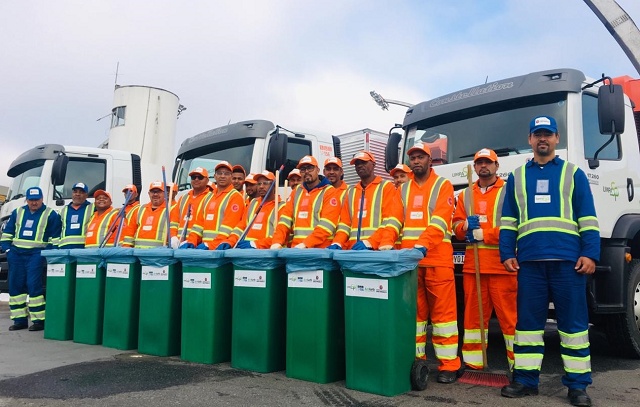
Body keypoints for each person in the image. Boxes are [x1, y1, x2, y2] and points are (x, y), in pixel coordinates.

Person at [499, 116, 599, 407]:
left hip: (569, 263)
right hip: (530, 263)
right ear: (529, 140)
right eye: (537, 134)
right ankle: (526, 381)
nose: (543, 139)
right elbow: (508, 220)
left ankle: (578, 386)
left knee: (574, 326)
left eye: (548, 134)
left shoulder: (573, 173)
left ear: (557, 139)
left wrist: (590, 253)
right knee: (528, 326)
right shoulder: (516, 177)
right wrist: (506, 253)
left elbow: (588, 217)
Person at [399, 141, 461, 383]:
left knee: (443, 316)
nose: (416, 161)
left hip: (436, 260)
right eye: (412, 157)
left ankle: (449, 365)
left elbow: (440, 221)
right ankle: (418, 359)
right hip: (411, 263)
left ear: (429, 159)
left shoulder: (442, 185)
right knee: (414, 316)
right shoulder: (402, 189)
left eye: (420, 157)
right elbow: (395, 221)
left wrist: (422, 244)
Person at [452, 148, 516, 372]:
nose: (483, 166)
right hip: (473, 266)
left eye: (488, 162)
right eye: (479, 162)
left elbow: (514, 225)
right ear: (475, 166)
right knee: (473, 319)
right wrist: (465, 227)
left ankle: (518, 366)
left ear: (497, 166)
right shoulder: (466, 194)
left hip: (502, 266)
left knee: (510, 319)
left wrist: (484, 234)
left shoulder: (509, 191)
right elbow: (456, 227)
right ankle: (473, 362)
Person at [0, 187, 61, 331]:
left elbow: (56, 239)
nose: (34, 203)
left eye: (37, 199)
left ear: (42, 199)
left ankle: (39, 321)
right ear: (27, 200)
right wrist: (8, 250)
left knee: (34, 286)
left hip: (36, 255)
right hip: (16, 255)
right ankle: (19, 320)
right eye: (31, 200)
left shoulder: (51, 214)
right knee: (16, 287)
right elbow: (7, 234)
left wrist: (46, 254)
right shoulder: (18, 212)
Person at [329, 151, 403, 250]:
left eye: (363, 163)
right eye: (357, 164)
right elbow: (345, 224)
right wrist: (338, 242)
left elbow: (389, 221)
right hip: (353, 250)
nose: (359, 166)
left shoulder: (386, 187)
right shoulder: (351, 191)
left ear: (373, 165)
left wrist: (370, 242)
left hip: (377, 250)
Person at [270, 155, 340, 249]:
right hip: (297, 250)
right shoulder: (297, 191)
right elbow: (285, 220)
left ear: (317, 170)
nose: (306, 172)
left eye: (310, 168)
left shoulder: (329, 192)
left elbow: (327, 225)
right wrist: (276, 242)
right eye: (303, 169)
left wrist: (306, 244)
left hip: (320, 252)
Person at [183, 161, 245, 250]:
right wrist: (191, 241)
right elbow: (199, 224)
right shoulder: (209, 197)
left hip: (222, 249)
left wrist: (211, 245)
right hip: (206, 249)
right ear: (215, 176)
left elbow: (229, 227)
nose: (222, 176)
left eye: (226, 174)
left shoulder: (235, 197)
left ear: (231, 177)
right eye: (219, 173)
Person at [225, 170, 283, 249]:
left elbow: (280, 236)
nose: (261, 186)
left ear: (274, 186)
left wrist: (255, 244)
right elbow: (242, 226)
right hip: (247, 252)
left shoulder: (281, 206)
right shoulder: (253, 203)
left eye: (265, 183)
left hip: (267, 254)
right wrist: (230, 241)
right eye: (259, 184)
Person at [169, 167, 212, 248]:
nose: (196, 179)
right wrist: (173, 237)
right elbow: (174, 221)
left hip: (198, 245)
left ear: (207, 180)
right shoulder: (183, 198)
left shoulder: (211, 198)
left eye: (200, 177)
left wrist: (192, 241)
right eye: (193, 177)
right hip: (179, 244)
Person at [121, 181, 170, 248]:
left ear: (165, 194)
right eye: (153, 192)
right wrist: (126, 247)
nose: (155, 194)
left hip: (159, 255)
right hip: (139, 253)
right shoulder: (140, 209)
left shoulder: (170, 210)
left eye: (158, 191)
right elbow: (130, 231)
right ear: (149, 194)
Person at [56, 182, 94, 249]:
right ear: (72, 194)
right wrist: (55, 247)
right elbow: (56, 231)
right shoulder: (63, 210)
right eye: (75, 192)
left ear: (86, 195)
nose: (77, 194)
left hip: (84, 249)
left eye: (81, 192)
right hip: (65, 249)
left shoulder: (93, 208)